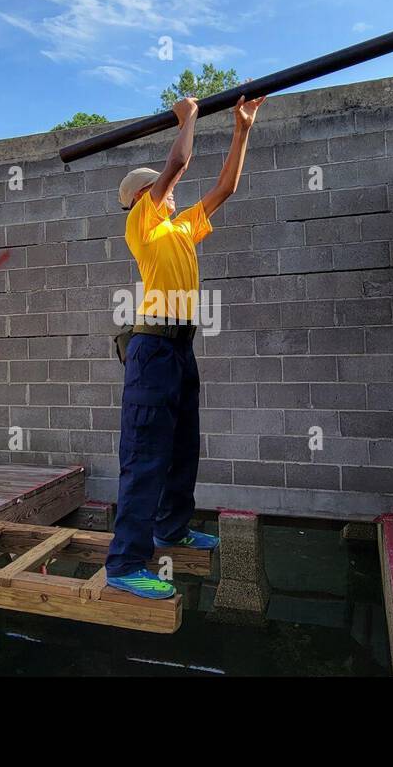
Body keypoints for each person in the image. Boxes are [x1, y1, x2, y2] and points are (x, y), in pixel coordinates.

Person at [105, 94, 265, 599]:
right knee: (146, 453)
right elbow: (177, 161)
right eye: (160, 188)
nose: (172, 191)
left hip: (180, 351)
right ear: (143, 197)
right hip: (151, 351)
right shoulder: (142, 226)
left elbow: (226, 187)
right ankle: (125, 563)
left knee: (182, 446)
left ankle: (170, 528)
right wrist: (189, 119)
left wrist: (242, 128)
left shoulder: (180, 229)